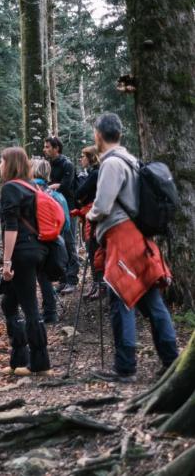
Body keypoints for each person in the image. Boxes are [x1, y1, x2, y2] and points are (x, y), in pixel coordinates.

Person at [86, 113, 178, 383]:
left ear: (98, 135)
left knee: (120, 299)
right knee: (152, 301)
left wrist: (90, 216)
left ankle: (125, 368)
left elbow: (102, 206)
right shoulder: (131, 159)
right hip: (137, 238)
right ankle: (171, 361)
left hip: (122, 237)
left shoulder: (112, 163)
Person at [0, 147, 53, 377]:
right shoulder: (32, 187)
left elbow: (11, 228)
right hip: (38, 250)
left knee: (30, 306)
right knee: (9, 304)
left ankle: (41, 364)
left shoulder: (11, 188)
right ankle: (19, 359)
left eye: (1, 161)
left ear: (10, 163)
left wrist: (7, 261)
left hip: (21, 252)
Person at [31, 157, 71, 324]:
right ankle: (49, 310)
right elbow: (66, 223)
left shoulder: (33, 192)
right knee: (44, 277)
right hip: (55, 239)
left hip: (40, 239)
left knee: (42, 277)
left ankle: (49, 312)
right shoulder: (56, 195)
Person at [44, 136, 79, 292]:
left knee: (70, 244)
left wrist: (54, 186)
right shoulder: (49, 165)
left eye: (47, 147)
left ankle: (72, 279)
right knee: (61, 245)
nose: (44, 149)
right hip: (54, 209)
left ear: (56, 148)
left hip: (69, 209)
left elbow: (66, 186)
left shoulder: (67, 164)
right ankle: (63, 279)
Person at [75, 146, 102, 298]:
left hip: (93, 216)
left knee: (94, 249)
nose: (81, 159)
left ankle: (99, 284)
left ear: (91, 157)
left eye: (83, 156)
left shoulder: (95, 174)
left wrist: (81, 199)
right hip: (92, 214)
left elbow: (79, 193)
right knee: (93, 249)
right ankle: (96, 284)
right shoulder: (96, 173)